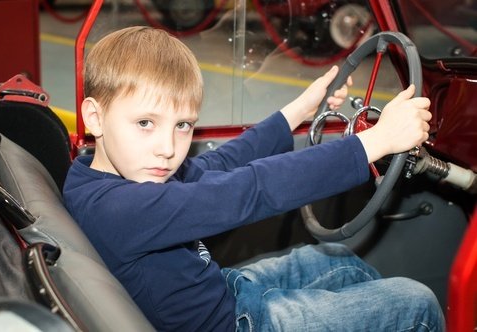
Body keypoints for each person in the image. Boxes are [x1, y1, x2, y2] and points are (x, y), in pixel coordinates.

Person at [63, 26, 444, 331]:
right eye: (145, 123)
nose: (167, 148)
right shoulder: (121, 208)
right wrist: (373, 142)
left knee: (341, 260)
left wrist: (298, 110)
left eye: (183, 126)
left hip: (223, 292)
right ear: (95, 118)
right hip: (234, 324)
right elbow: (250, 189)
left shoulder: (106, 176)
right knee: (417, 303)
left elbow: (223, 163)